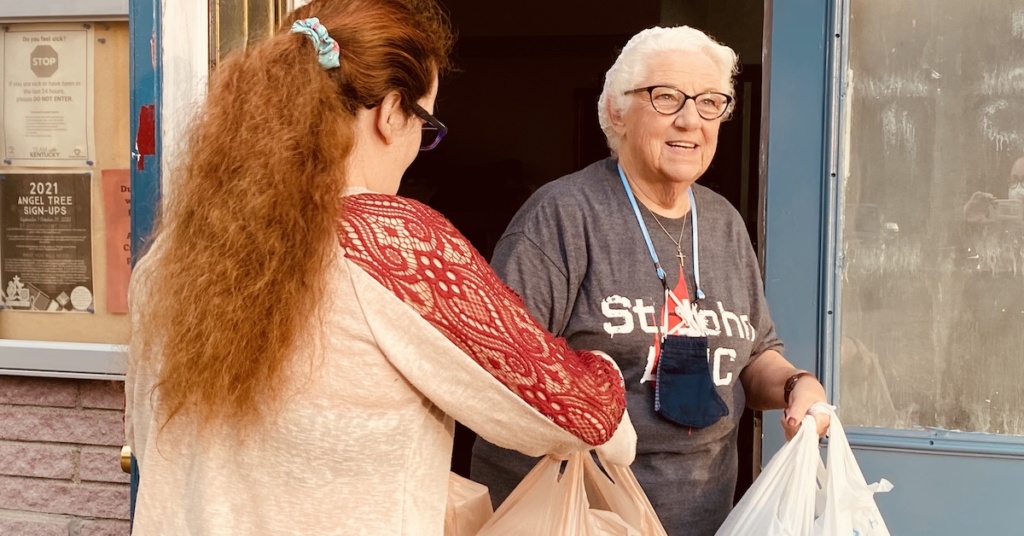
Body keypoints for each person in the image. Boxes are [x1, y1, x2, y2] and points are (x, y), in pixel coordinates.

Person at [124, 1, 636, 534]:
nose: (421, 144)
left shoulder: (172, 257)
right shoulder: (392, 242)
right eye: (427, 122)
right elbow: (580, 414)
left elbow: (146, 439)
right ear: (391, 113)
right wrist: (602, 364)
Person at [470, 26, 830, 535]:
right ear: (617, 111)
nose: (691, 120)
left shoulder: (723, 221)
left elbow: (753, 354)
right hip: (579, 519)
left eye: (711, 103)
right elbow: (495, 372)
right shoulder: (562, 217)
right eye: (667, 98)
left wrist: (798, 385)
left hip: (708, 521)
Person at [939, 155, 1024, 433]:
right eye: (1014, 181)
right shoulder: (993, 231)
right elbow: (954, 270)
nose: (1018, 190)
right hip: (987, 357)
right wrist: (969, 223)